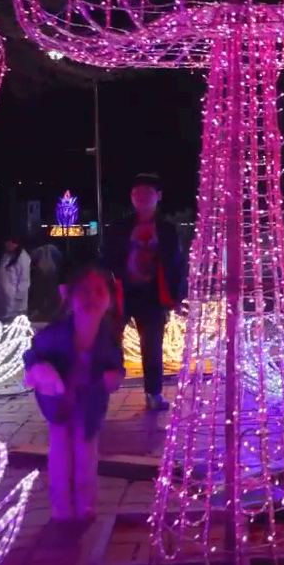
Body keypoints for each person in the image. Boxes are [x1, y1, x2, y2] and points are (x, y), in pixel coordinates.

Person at [23, 265, 124, 520]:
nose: (91, 297)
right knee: (59, 450)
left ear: (109, 300)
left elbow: (115, 365)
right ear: (68, 297)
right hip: (58, 402)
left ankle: (85, 501)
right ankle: (61, 503)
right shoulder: (55, 334)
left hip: (89, 403)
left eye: (98, 291)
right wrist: (41, 372)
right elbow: (33, 355)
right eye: (83, 291)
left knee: (86, 449)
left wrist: (112, 377)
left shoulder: (108, 337)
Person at [99, 173, 187, 411]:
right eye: (137, 194)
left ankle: (153, 393)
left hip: (153, 295)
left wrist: (177, 296)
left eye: (147, 194)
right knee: (109, 339)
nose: (141, 199)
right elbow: (107, 258)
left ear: (158, 197)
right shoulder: (120, 227)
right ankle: (103, 386)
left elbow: (177, 263)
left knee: (152, 346)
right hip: (122, 292)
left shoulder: (167, 229)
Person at [0, 238, 32, 320]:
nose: (7, 244)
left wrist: (18, 298)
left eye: (10, 242)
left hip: (15, 304)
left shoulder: (23, 258)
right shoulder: (6, 256)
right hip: (2, 300)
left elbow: (24, 280)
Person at [29, 241, 63, 317]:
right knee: (51, 293)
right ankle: (50, 311)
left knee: (40, 293)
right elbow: (60, 259)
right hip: (52, 274)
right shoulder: (54, 249)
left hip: (40, 274)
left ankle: (40, 310)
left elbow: (32, 260)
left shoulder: (38, 250)